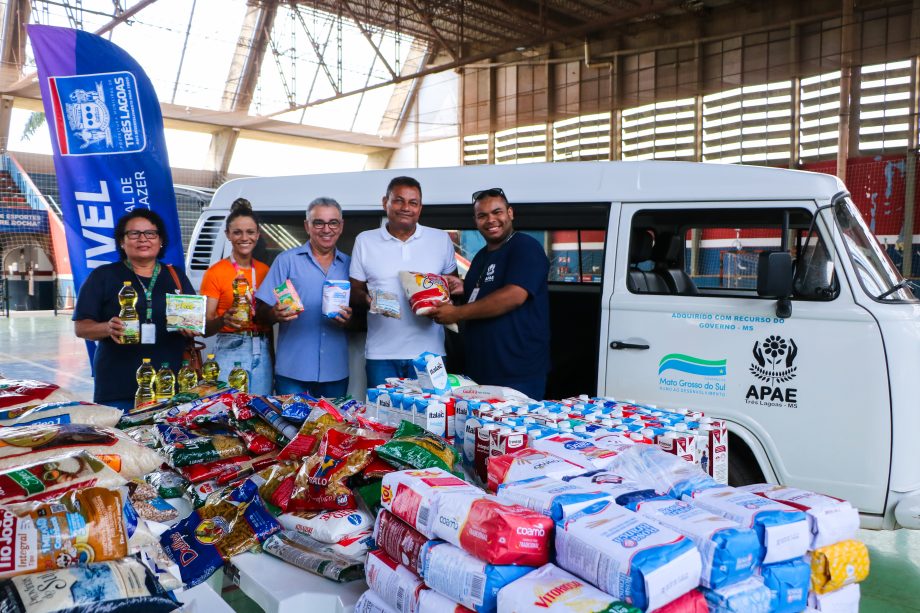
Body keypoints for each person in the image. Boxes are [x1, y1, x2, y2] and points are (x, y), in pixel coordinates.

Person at [430, 188, 550, 400]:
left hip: (516, 373)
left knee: (513, 432)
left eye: (497, 212)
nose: (491, 220)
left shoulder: (525, 247)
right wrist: (463, 286)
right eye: (482, 215)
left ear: (510, 213)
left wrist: (456, 313)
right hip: (481, 371)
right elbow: (485, 289)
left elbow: (513, 295)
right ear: (475, 221)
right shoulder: (481, 257)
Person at [73, 209, 196, 411]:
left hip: (169, 384)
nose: (143, 239)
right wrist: (108, 328)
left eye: (150, 233)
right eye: (134, 234)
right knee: (124, 440)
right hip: (118, 386)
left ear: (160, 240)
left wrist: (192, 327)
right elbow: (81, 327)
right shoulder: (103, 276)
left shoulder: (175, 276)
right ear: (122, 241)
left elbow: (195, 321)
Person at [349, 176, 458, 387]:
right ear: (385, 202)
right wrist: (368, 300)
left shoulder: (440, 239)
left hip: (431, 354)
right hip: (381, 354)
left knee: (429, 417)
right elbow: (354, 289)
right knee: (382, 418)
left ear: (420, 207)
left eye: (413, 202)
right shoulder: (365, 240)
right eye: (398, 200)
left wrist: (446, 301)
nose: (406, 207)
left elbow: (451, 287)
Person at [255, 197, 352, 397]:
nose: (326, 229)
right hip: (293, 372)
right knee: (291, 429)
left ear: (341, 226)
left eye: (333, 222)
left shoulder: (351, 265)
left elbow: (363, 318)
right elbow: (260, 312)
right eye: (319, 222)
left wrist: (350, 319)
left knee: (332, 428)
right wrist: (274, 313)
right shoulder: (287, 261)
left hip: (335, 371)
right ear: (307, 226)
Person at [199, 198, 272, 394]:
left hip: (261, 345)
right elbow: (204, 328)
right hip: (230, 345)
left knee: (260, 409)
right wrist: (224, 319)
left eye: (250, 232)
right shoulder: (215, 272)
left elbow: (269, 319)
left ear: (257, 235)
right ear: (228, 235)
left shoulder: (265, 271)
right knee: (229, 411)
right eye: (237, 232)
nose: (244, 237)